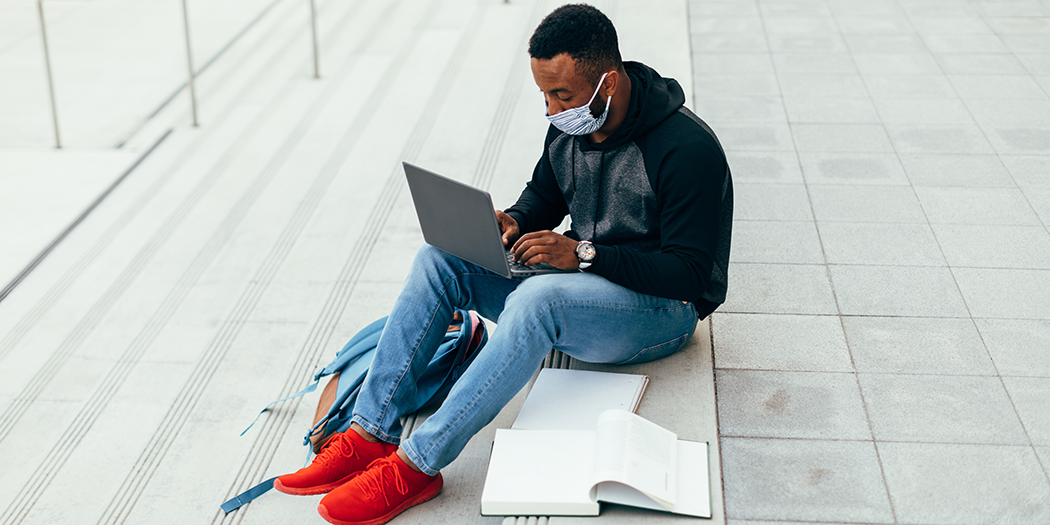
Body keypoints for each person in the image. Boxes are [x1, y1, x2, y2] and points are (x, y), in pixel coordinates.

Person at [275, 4, 732, 524]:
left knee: (539, 299)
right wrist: (514, 220)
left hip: (661, 312)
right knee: (440, 258)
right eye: (543, 94)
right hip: (582, 288)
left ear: (608, 81)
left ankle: (417, 466)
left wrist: (583, 255)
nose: (552, 109)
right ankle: (368, 434)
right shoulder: (571, 126)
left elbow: (690, 275)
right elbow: (544, 194)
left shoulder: (686, 148)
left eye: (562, 95)